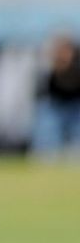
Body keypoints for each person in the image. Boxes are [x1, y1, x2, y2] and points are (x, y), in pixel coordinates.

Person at [30, 32, 80, 161]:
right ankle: (47, 150)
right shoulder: (47, 66)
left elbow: (71, 84)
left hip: (75, 107)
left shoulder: (76, 66)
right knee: (46, 121)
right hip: (54, 106)